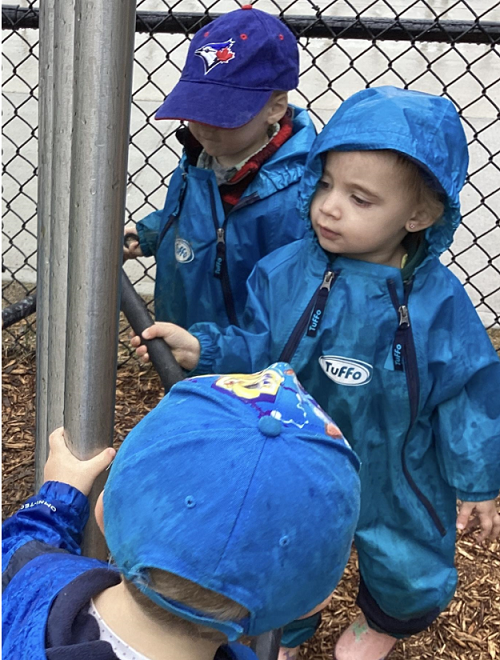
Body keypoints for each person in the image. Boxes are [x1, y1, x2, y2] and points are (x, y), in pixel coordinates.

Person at [131, 86, 500, 660]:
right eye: (324, 184)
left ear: (421, 213)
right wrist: (203, 347)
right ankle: (289, 624)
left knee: (406, 549)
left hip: (395, 460)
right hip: (297, 445)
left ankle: (383, 621)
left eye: (360, 198)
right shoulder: (284, 272)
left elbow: (469, 391)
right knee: (286, 533)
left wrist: (477, 480)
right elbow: (254, 345)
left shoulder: (439, 303)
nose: (329, 206)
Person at [2, 363, 361, 660]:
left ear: (101, 510)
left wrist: (59, 496)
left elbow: (22, 540)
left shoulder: (33, 580)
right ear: (313, 603)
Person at [124, 6, 316, 330]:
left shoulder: (300, 195)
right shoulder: (198, 158)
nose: (204, 126)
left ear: (275, 108)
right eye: (196, 108)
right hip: (185, 329)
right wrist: (151, 233)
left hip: (246, 365)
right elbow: (195, 215)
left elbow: (292, 302)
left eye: (221, 113)